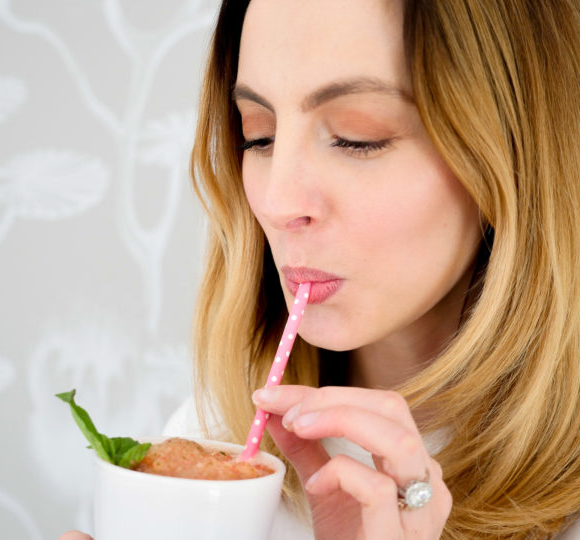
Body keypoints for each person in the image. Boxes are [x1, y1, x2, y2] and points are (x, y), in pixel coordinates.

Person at [61, 0, 580, 538]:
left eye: (357, 136)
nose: (279, 202)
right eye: (259, 135)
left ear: (512, 154)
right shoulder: (215, 437)